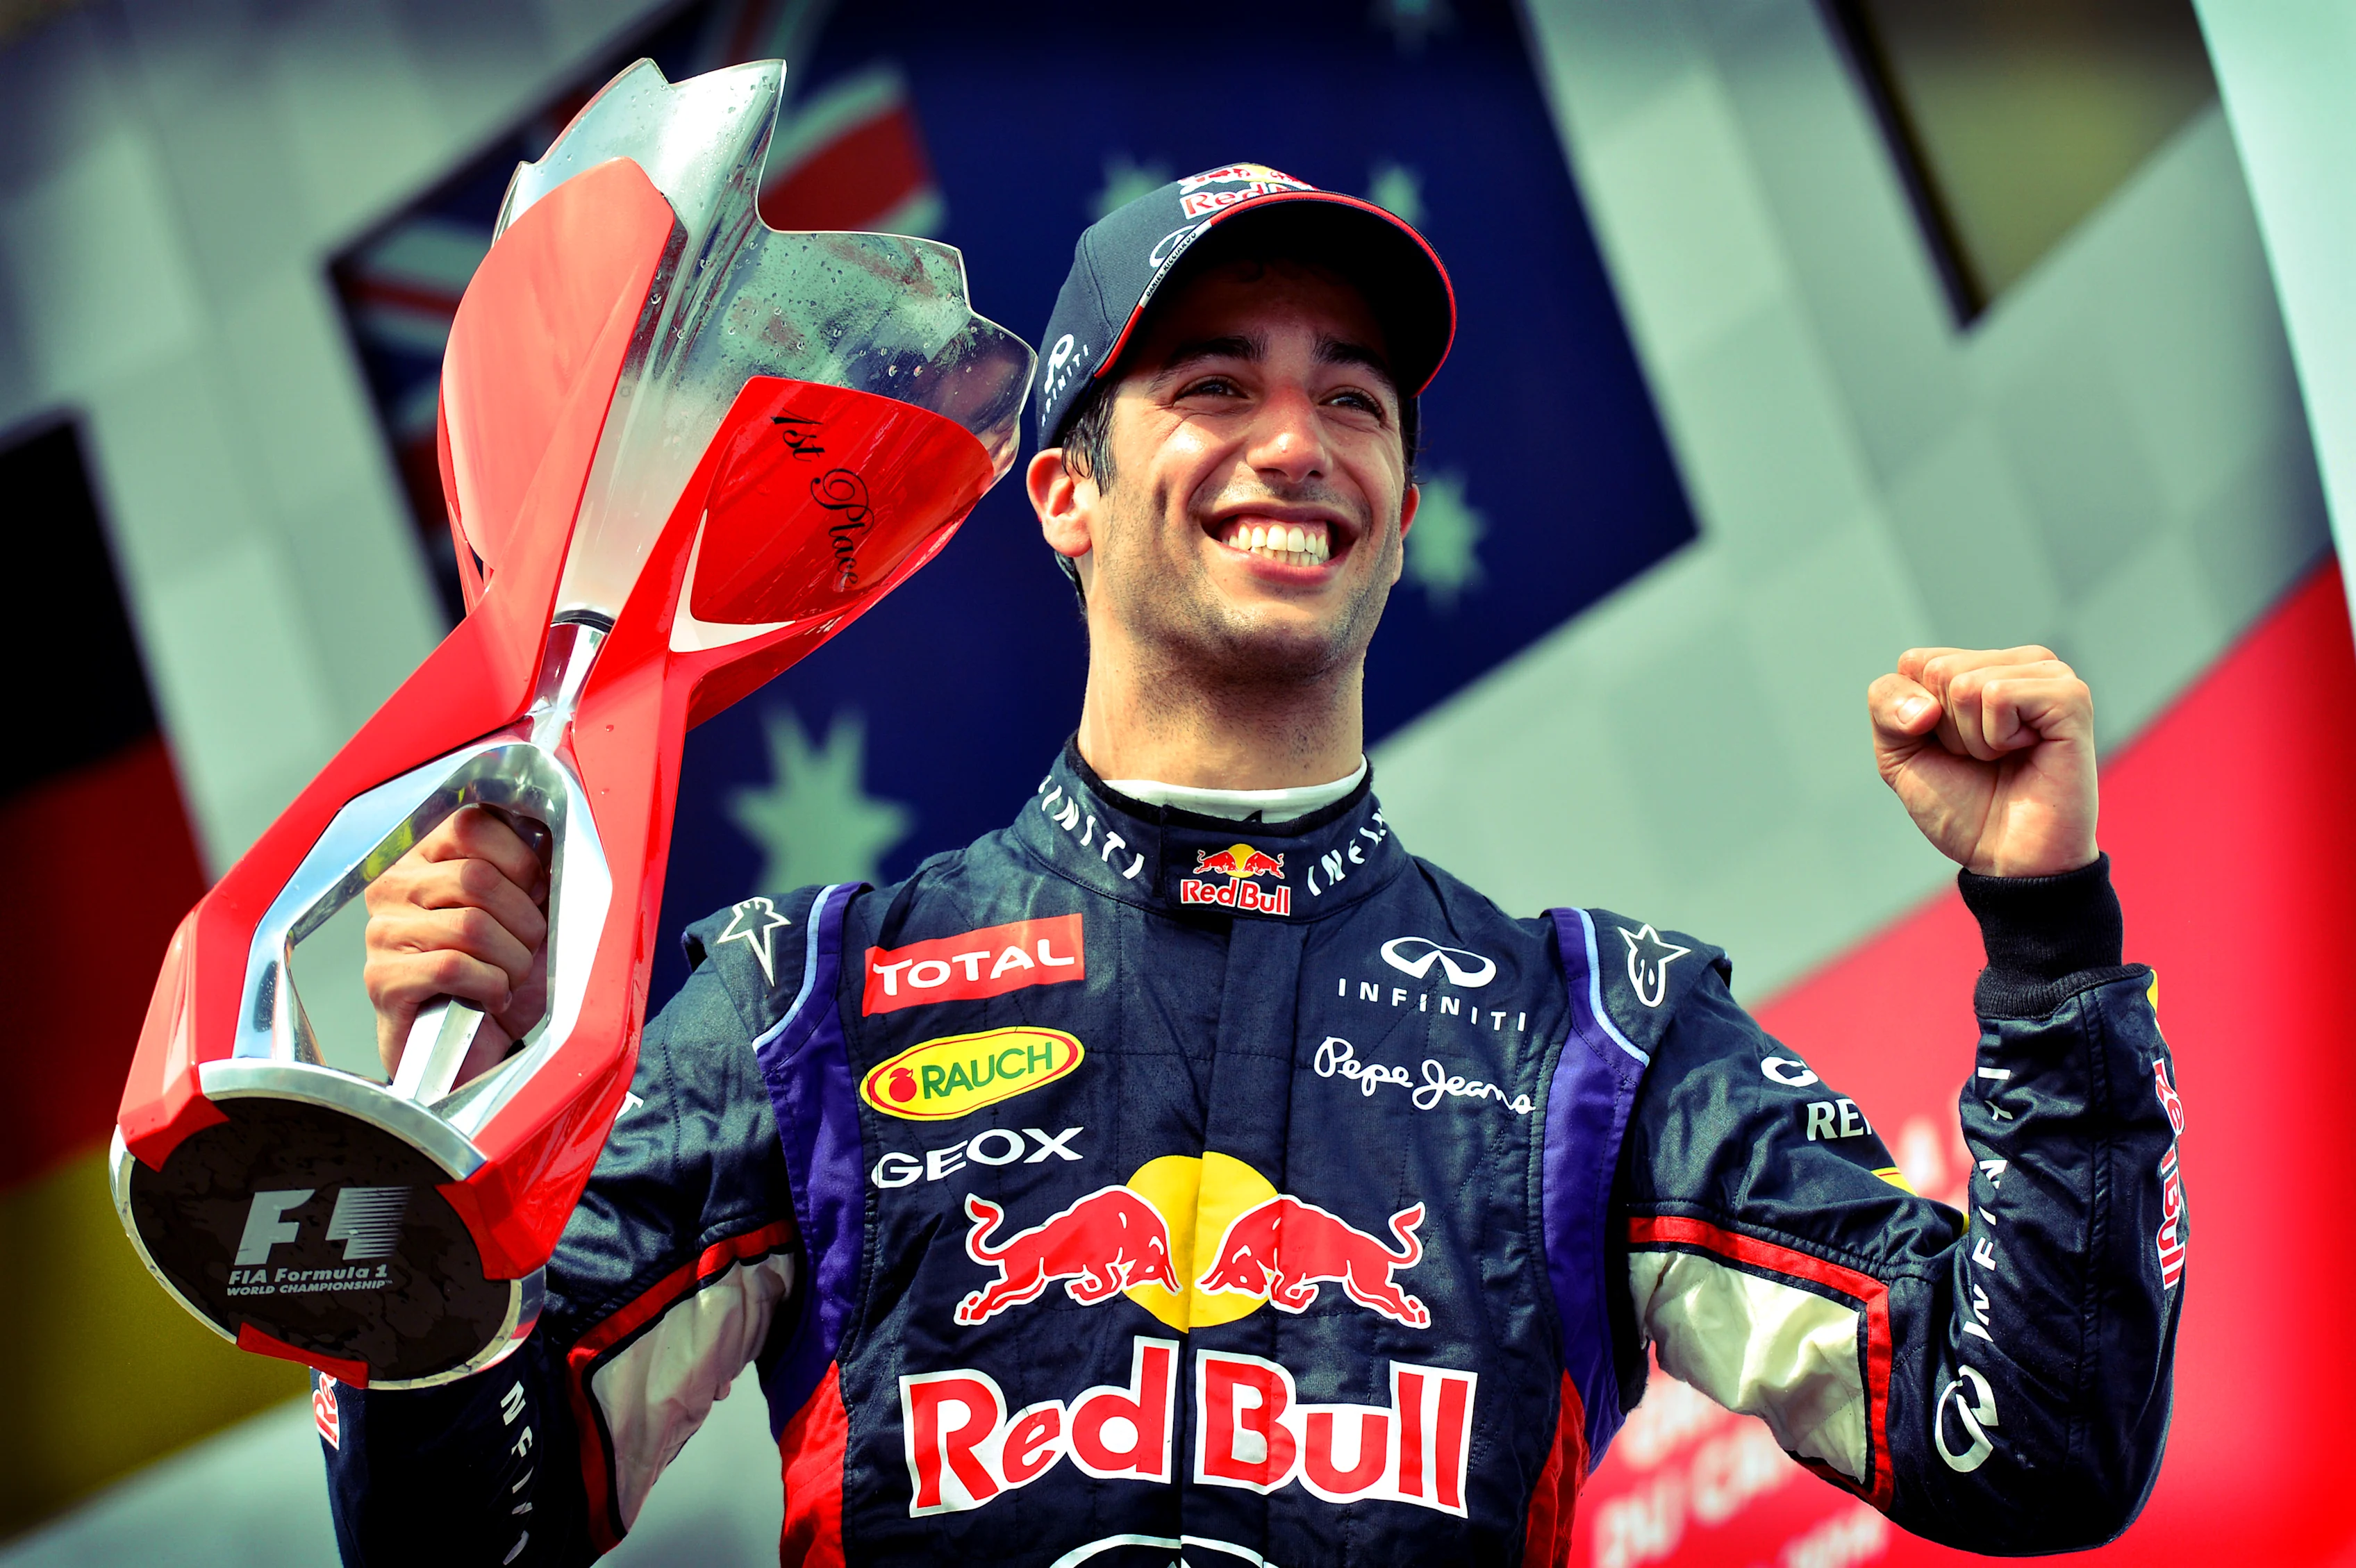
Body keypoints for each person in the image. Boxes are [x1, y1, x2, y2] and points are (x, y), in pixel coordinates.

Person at [324, 164, 2182, 1566]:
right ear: (1064, 491)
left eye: (1355, 402)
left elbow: (2030, 1445)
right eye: (1215, 385)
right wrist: (438, 1154)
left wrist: (2050, 941)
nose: (1298, 443)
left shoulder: (1598, 1036)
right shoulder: (809, 1001)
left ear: (1397, 510)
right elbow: (459, 1536)